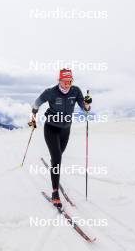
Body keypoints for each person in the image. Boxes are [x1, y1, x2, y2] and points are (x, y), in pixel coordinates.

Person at [29, 68, 92, 208]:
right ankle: (55, 192)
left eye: (69, 81)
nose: (67, 84)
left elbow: (84, 108)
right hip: (51, 128)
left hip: (65, 130)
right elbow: (37, 103)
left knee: (58, 157)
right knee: (57, 158)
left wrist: (87, 105)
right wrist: (33, 114)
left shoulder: (76, 91)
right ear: (59, 80)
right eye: (64, 81)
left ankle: (54, 167)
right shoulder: (50, 92)